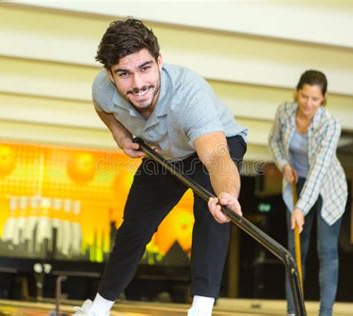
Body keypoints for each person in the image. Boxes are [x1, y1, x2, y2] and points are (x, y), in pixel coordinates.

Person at [74, 18, 247, 316]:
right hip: (165, 155)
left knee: (211, 213)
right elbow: (102, 107)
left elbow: (217, 157)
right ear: (110, 75)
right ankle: (98, 309)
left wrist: (228, 194)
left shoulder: (189, 96)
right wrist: (119, 133)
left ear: (159, 61)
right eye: (124, 74)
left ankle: (201, 310)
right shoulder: (102, 88)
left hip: (215, 146)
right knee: (134, 229)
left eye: (145, 68)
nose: (138, 84)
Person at [268, 70, 348, 316]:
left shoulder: (330, 125)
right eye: (304, 97)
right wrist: (284, 165)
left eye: (315, 99)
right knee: (294, 252)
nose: (308, 104)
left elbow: (320, 169)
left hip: (327, 187)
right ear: (297, 92)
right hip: (296, 182)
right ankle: (294, 311)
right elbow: (274, 142)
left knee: (326, 250)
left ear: (323, 98)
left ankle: (325, 312)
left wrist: (301, 208)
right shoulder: (284, 112)